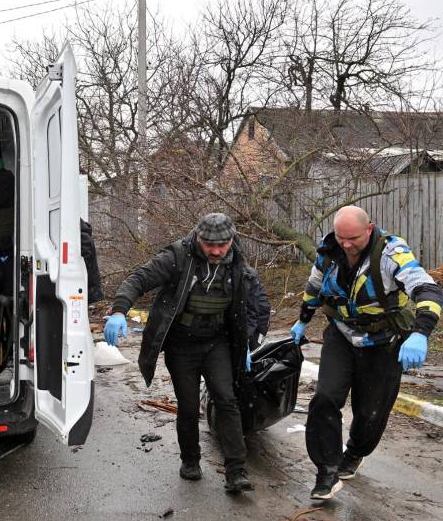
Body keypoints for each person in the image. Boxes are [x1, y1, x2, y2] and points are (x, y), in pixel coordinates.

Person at [291, 205, 443, 501]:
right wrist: (303, 319)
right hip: (342, 335)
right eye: (341, 237)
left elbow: (428, 290)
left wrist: (420, 333)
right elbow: (314, 286)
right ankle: (326, 471)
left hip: (383, 342)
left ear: (369, 229)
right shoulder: (328, 250)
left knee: (371, 412)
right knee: (325, 398)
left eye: (353, 239)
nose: (346, 245)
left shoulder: (392, 254)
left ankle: (355, 453)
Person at [104, 213, 257, 493]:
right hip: (181, 344)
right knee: (187, 405)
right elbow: (139, 278)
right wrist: (118, 311)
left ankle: (236, 470)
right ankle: (190, 460)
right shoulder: (177, 256)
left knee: (226, 399)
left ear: (231, 240)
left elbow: (252, 303)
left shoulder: (237, 262)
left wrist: (248, 341)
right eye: (209, 244)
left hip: (217, 342)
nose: (215, 251)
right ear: (198, 237)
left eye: (222, 245)